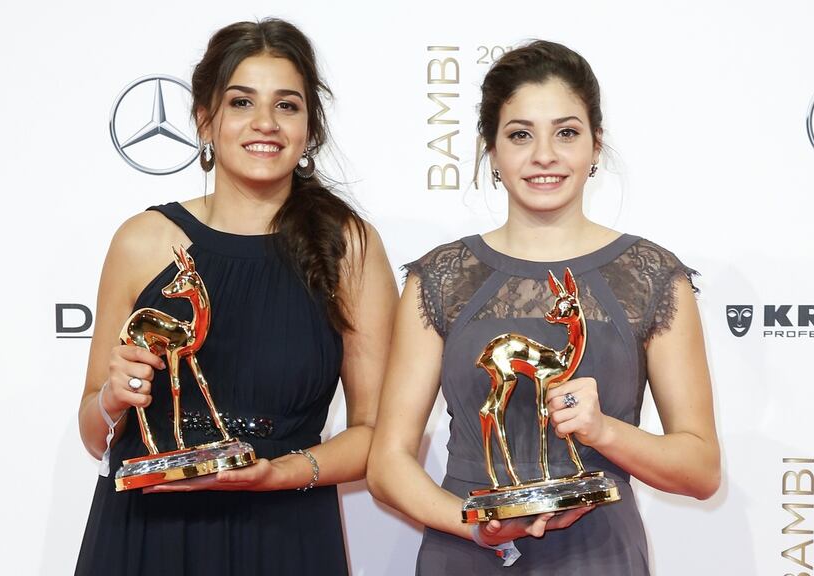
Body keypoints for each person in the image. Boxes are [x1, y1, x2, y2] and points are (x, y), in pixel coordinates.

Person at [367, 40, 720, 574]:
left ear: (596, 145)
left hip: (597, 555)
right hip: (464, 552)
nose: (544, 156)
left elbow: (700, 468)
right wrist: (473, 523)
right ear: (492, 149)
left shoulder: (650, 277)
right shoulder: (440, 278)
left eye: (567, 133)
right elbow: (388, 462)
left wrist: (603, 431)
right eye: (520, 135)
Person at [75, 19, 396, 575]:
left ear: (309, 127)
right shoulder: (143, 240)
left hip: (283, 535)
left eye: (287, 105)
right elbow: (93, 431)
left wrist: (280, 473)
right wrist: (112, 398)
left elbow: (379, 436)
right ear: (205, 118)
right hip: (147, 536)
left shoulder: (349, 246)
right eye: (242, 101)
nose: (265, 123)